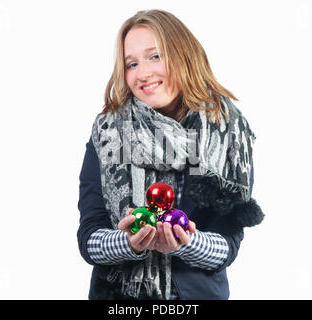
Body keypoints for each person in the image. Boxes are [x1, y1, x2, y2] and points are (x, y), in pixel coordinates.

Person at [77, 9, 264, 300]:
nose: (143, 73)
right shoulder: (108, 132)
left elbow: (228, 244)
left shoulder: (228, 132)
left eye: (155, 56)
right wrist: (129, 243)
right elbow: (89, 237)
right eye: (131, 63)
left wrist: (187, 243)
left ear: (183, 56)